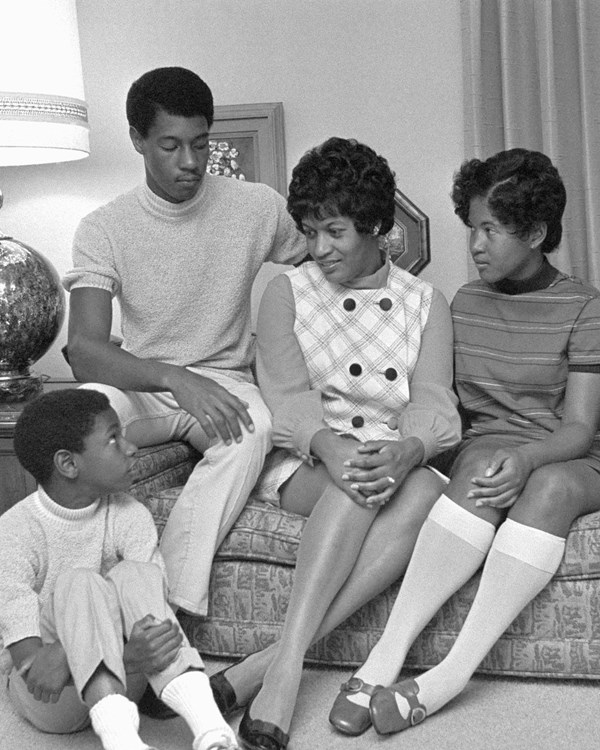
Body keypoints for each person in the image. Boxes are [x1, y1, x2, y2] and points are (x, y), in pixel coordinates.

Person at [332, 148, 600, 736]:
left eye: (490, 230)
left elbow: (580, 429)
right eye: (471, 228)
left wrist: (528, 457)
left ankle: (451, 674)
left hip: (568, 454)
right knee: (478, 461)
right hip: (489, 448)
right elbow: (451, 406)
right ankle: (385, 656)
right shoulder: (464, 302)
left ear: (533, 232)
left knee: (550, 484)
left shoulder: (584, 306)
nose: (476, 245)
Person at [208, 137, 461, 750]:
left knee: (426, 485)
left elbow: (432, 400)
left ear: (376, 226)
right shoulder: (285, 294)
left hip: (395, 460)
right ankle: (288, 672)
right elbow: (287, 399)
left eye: (335, 232)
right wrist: (327, 443)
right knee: (356, 484)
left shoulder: (426, 303)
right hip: (307, 460)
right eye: (309, 231)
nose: (318, 249)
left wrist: (410, 449)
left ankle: (263, 666)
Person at [63, 67, 307, 618]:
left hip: (224, 379)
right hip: (145, 385)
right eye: (170, 146)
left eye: (201, 144)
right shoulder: (103, 227)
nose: (190, 162)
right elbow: (84, 350)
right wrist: (175, 376)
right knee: (77, 428)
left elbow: (322, 276)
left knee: (254, 427)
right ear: (138, 141)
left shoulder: (258, 207)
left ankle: (165, 604)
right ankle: (66, 601)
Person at [0, 389, 239, 750]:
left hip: (127, 681)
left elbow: (154, 625)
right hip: (52, 700)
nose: (130, 447)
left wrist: (119, 653)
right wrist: (119, 654)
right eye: (113, 438)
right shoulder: (15, 531)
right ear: (68, 464)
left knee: (136, 575)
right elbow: (36, 669)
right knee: (80, 583)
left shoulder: (129, 514)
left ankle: (211, 732)